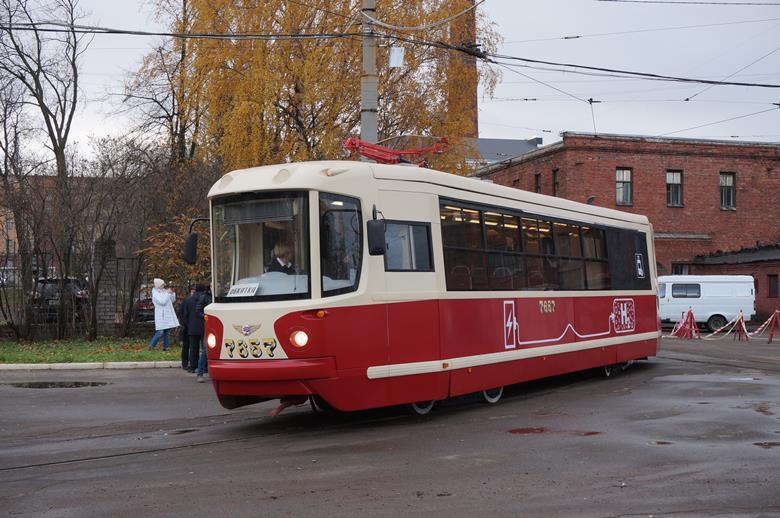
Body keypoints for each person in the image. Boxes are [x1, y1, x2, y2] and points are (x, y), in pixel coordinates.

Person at [180, 284, 207, 373]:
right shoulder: (207, 299)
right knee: (205, 348)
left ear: (195, 290)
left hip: (192, 327)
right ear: (204, 290)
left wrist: (187, 325)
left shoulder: (188, 300)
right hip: (204, 327)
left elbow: (185, 314)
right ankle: (205, 367)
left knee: (193, 348)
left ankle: (192, 366)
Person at [148, 278, 179, 351]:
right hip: (161, 315)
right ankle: (151, 345)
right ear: (158, 285)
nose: (163, 286)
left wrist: (172, 293)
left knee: (167, 331)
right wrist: (167, 294)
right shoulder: (155, 293)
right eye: (162, 285)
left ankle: (166, 347)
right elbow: (162, 302)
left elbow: (172, 300)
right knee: (160, 332)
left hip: (167, 314)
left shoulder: (164, 291)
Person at [195, 283, 213, 383]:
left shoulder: (222, 297)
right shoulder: (204, 297)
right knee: (206, 349)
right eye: (213, 285)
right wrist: (206, 317)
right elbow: (198, 311)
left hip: (221, 325)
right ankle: (200, 373)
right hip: (209, 326)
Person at [178, 286, 194, 370]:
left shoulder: (187, 301)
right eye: (192, 291)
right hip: (187, 326)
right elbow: (181, 313)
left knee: (191, 346)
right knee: (187, 346)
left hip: (189, 326)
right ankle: (185, 363)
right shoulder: (187, 301)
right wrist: (184, 323)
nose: (193, 293)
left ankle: (189, 363)